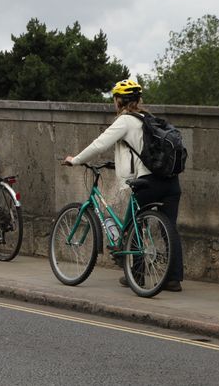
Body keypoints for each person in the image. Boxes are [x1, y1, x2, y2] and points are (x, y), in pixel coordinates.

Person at [64, 79, 184, 292]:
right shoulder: (150, 119)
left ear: (119, 101)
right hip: (170, 182)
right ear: (139, 100)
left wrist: (76, 159)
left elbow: (100, 144)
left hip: (147, 183)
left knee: (131, 229)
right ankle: (173, 279)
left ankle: (135, 276)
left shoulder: (125, 120)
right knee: (170, 229)